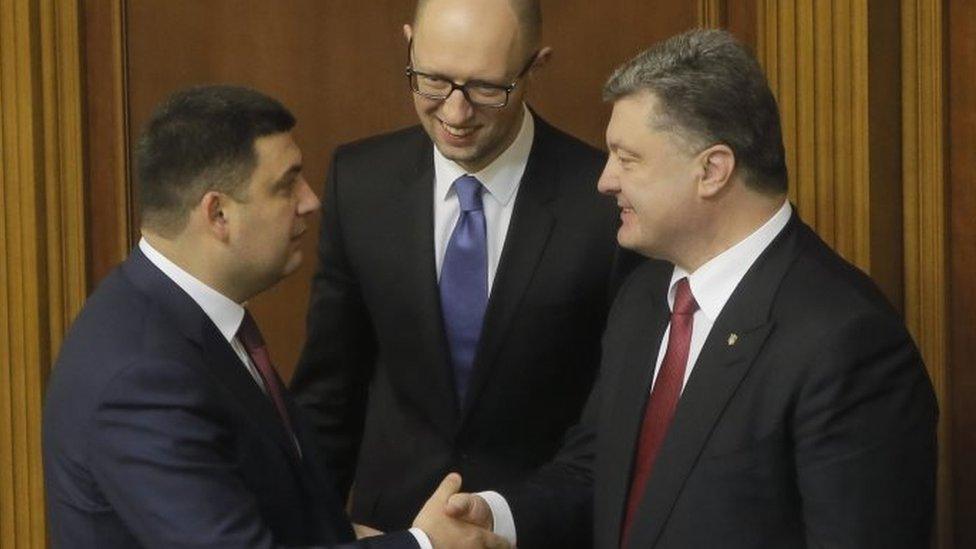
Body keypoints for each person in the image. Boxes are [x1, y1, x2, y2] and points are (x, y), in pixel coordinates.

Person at [444, 29, 939, 548]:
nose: (605, 180)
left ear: (712, 170)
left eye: (627, 158)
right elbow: (600, 470)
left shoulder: (847, 340)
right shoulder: (643, 295)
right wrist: (496, 516)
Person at [42, 85, 509, 549]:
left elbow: (275, 509)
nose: (310, 201)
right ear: (218, 213)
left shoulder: (193, 319)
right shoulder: (141, 378)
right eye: (287, 185)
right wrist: (423, 546)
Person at [290, 0, 633, 535]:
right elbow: (330, 393)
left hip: (542, 530)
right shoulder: (359, 182)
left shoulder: (605, 202)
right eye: (432, 81)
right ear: (408, 44)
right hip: (391, 530)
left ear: (535, 66)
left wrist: (507, 518)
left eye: (486, 89)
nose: (455, 113)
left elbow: (611, 418)